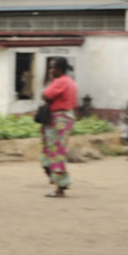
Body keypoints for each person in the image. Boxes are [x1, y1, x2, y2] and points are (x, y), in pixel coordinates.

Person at [40, 56, 76, 198]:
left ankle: (60, 187)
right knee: (52, 153)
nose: (51, 70)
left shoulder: (61, 81)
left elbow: (45, 94)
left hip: (59, 119)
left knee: (55, 153)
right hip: (62, 119)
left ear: (59, 69)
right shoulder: (69, 81)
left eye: (52, 67)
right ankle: (60, 182)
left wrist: (50, 80)